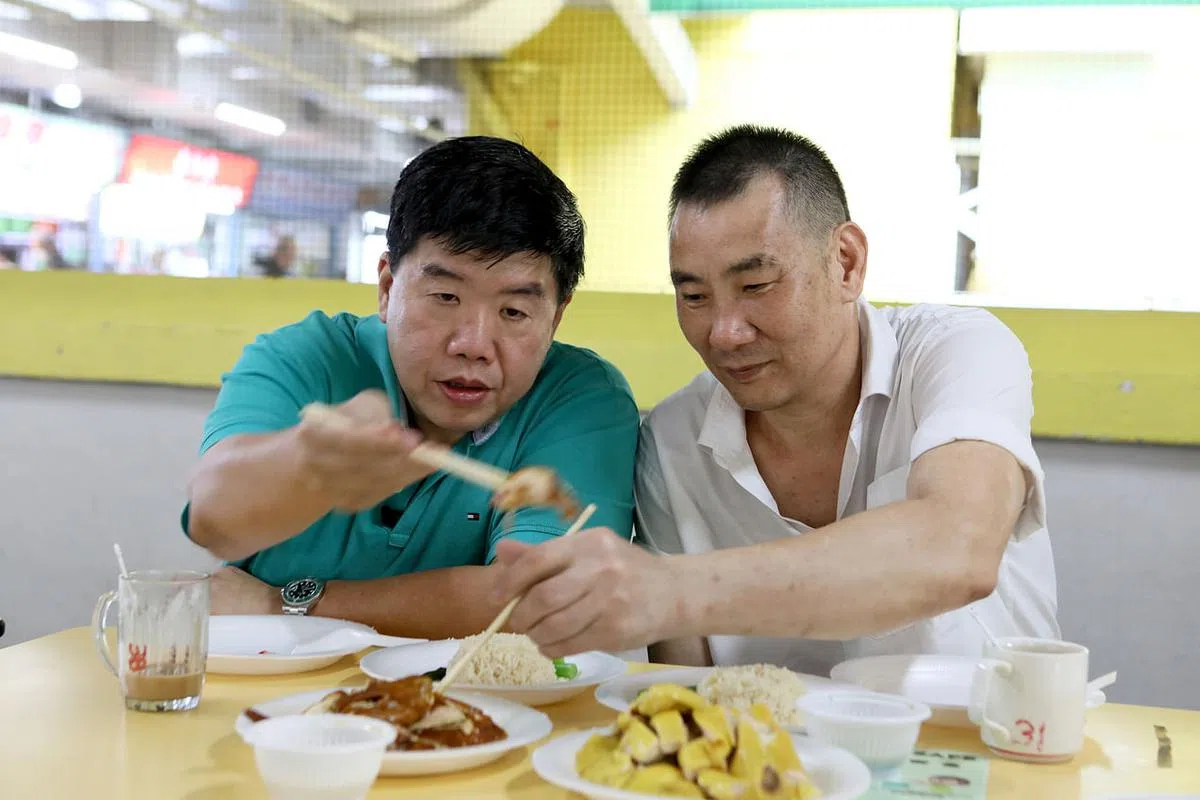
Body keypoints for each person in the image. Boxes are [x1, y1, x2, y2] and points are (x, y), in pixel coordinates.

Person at [493, 125, 1059, 673]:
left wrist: (670, 589)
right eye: (693, 295)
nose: (724, 332)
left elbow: (956, 550)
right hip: (772, 767)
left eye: (756, 286)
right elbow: (681, 692)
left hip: (983, 752)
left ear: (846, 262)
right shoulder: (672, 442)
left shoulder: (956, 353)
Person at [183, 136, 640, 639]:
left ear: (555, 317)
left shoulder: (578, 398)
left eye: (513, 311)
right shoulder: (305, 359)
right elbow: (212, 518)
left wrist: (285, 603)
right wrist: (306, 463)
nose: (473, 344)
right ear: (386, 288)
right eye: (445, 296)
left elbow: (540, 603)